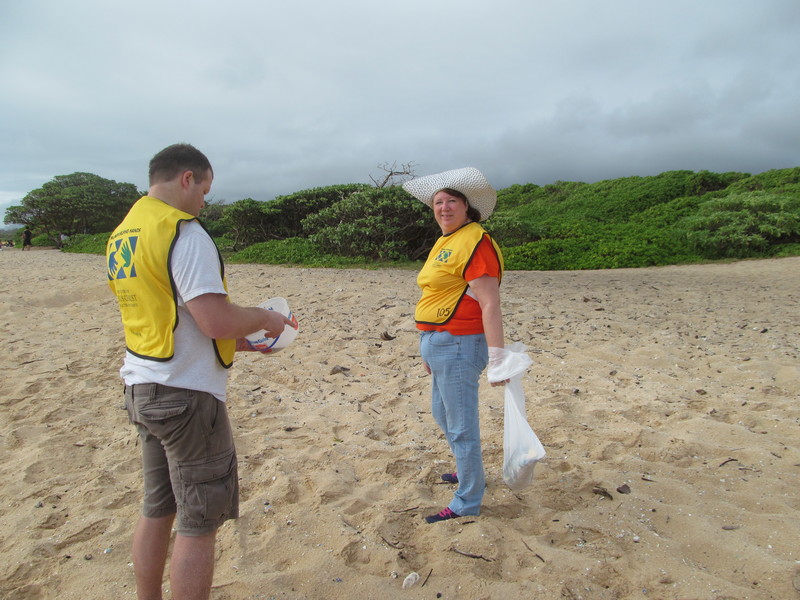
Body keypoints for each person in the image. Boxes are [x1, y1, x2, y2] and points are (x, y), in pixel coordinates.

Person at [106, 143, 293, 599]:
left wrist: (243, 343)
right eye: (205, 189)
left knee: (157, 508)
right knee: (198, 523)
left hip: (143, 386)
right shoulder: (183, 232)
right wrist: (266, 319)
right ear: (187, 178)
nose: (205, 202)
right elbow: (215, 320)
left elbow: (171, 320)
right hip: (186, 399)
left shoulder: (123, 234)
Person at [402, 167, 508, 524]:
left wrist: (498, 358)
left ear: (467, 207)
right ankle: (469, 473)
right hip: (440, 342)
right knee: (442, 414)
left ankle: (468, 500)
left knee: (462, 425)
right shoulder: (447, 240)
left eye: (451, 201)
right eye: (438, 202)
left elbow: (489, 302)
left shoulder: (475, 240)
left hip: (462, 342)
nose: (444, 207)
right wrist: (428, 349)